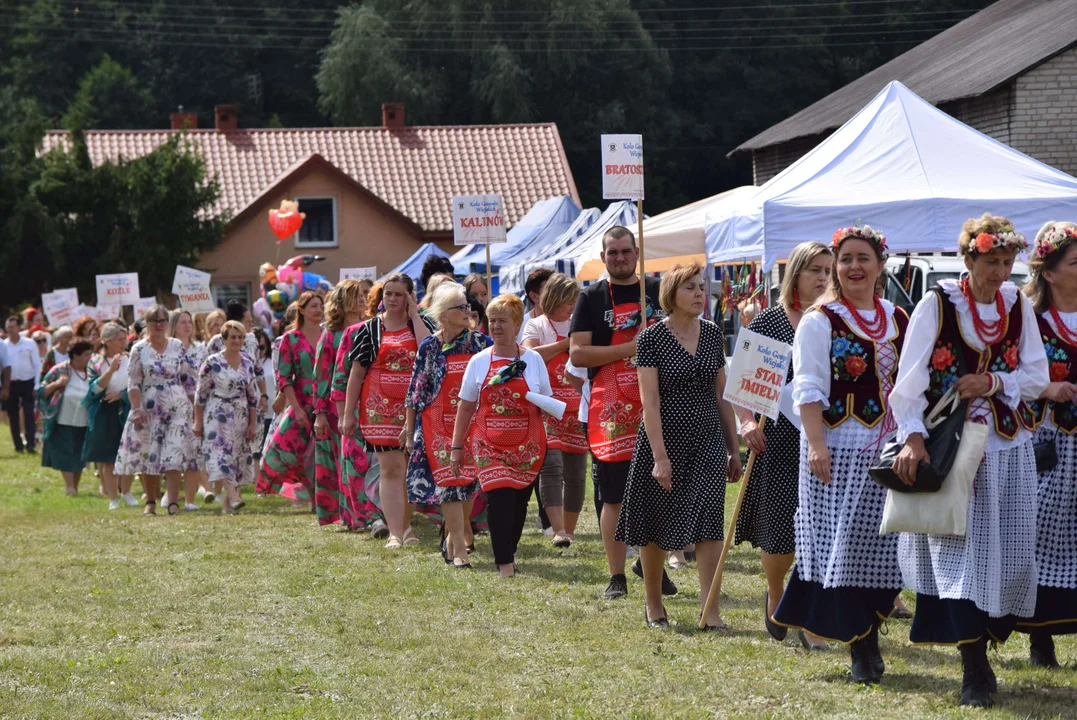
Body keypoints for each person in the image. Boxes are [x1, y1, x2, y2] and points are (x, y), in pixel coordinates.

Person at [890, 215, 1047, 707]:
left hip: (1006, 445)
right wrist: (912, 439)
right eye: (991, 262)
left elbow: (1036, 375)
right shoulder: (936, 305)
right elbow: (908, 382)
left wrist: (995, 382)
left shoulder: (1017, 303)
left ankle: (989, 637)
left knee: (1014, 552)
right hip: (952, 445)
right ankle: (973, 667)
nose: (1001, 272)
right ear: (969, 258)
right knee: (957, 552)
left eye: (1007, 262)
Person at [773, 225, 909, 684]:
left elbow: (912, 385)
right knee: (845, 548)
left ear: (880, 265)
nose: (854, 266)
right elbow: (807, 387)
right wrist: (814, 444)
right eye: (846, 258)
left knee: (888, 548)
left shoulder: (898, 318)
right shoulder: (819, 319)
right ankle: (861, 647)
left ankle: (865, 630)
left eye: (863, 258)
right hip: (836, 448)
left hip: (890, 449)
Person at [615, 263, 742, 628]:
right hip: (664, 441)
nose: (700, 293)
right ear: (671, 295)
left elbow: (722, 398)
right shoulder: (652, 338)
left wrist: (733, 450)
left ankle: (710, 609)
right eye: (690, 288)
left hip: (707, 442)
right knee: (653, 525)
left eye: (701, 287)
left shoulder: (713, 334)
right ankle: (653, 604)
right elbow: (649, 403)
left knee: (708, 525)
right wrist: (659, 457)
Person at [732, 242, 834, 645]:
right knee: (779, 529)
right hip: (775, 438)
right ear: (795, 273)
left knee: (820, 529)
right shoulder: (768, 324)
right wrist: (744, 424)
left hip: (825, 438)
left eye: (829, 270)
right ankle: (776, 593)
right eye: (815, 270)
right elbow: (741, 385)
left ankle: (813, 618)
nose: (824, 278)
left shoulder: (832, 321)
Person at [569, 226, 673, 600]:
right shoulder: (592, 297)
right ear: (603, 256)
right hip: (611, 408)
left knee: (660, 490)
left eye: (625, 251)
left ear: (637, 251)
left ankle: (652, 568)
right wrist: (632, 346)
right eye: (612, 253)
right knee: (613, 495)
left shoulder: (660, 292)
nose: (619, 258)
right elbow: (578, 354)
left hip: (658, 404)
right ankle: (617, 575)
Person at [450, 294, 552, 577]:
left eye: (502, 321)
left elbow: (546, 401)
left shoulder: (533, 360)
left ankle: (509, 547)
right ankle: (505, 562)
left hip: (527, 445)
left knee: (519, 502)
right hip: (488, 443)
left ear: (518, 325)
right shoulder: (479, 361)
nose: (495, 326)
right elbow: (467, 404)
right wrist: (456, 447)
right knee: (499, 497)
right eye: (491, 320)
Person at [1016, 220, 1077, 668]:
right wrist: (1045, 389)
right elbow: (1008, 376)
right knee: (1042, 534)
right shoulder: (1027, 319)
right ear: (1050, 273)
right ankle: (1040, 637)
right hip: (1047, 444)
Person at [403, 282, 492, 567]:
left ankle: (453, 538)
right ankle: (461, 553)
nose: (468, 311)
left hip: (473, 425)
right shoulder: (430, 346)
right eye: (461, 307)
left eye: (467, 305)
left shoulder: (481, 344)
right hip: (436, 425)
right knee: (450, 485)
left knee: (468, 485)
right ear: (443, 314)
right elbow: (416, 390)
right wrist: (409, 428)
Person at [343, 273, 435, 548]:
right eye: (388, 294)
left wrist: (415, 314)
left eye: (399, 294)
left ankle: (405, 527)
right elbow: (356, 374)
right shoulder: (369, 329)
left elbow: (431, 352)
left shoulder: (422, 323)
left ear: (409, 296)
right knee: (391, 469)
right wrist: (348, 414)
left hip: (416, 409)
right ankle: (396, 532)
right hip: (378, 409)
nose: (392, 299)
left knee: (409, 469)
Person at [522, 273, 587, 547]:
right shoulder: (535, 325)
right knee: (551, 467)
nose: (572, 307)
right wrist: (566, 344)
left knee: (575, 473)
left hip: (577, 407)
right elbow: (530, 355)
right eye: (568, 301)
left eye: (575, 301)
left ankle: (568, 533)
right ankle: (557, 529)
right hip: (547, 408)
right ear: (555, 298)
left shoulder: (581, 323)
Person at [114, 305, 197, 516]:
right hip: (149, 408)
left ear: (168, 324)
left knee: (174, 452)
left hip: (178, 407)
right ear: (147, 324)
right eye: (154, 321)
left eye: (162, 320)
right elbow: (133, 382)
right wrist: (135, 409)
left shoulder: (177, 346)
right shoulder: (139, 349)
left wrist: (196, 410)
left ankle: (172, 501)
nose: (159, 325)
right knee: (150, 455)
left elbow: (187, 379)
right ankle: (151, 500)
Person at [260, 292, 325, 508]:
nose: (318, 310)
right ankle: (312, 495)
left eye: (320, 305)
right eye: (313, 306)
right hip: (301, 402)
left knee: (322, 450)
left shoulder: (329, 335)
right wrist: (295, 408)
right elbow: (284, 377)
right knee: (295, 452)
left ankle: (323, 498)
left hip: (325, 399)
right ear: (302, 310)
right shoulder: (291, 338)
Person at [312, 280, 368, 526]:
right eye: (358, 296)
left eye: (365, 295)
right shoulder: (331, 334)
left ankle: (371, 511)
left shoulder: (371, 328)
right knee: (345, 461)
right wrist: (320, 413)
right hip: (339, 406)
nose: (364, 299)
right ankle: (351, 516)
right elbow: (322, 375)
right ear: (344, 301)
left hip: (369, 403)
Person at [193, 320, 260, 514]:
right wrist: (197, 421)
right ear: (224, 339)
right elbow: (200, 394)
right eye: (232, 337)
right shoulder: (212, 362)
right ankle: (234, 495)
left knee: (236, 457)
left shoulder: (247, 362)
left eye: (240, 337)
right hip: (217, 412)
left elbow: (252, 396)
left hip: (240, 413)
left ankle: (228, 504)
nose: (237, 341)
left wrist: (253, 424)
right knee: (220, 454)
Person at [82, 322, 137, 510]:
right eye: (120, 339)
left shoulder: (131, 359)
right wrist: (111, 368)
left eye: (125, 339)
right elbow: (94, 389)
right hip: (105, 413)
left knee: (129, 454)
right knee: (108, 458)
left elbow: (138, 385)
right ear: (107, 341)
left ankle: (127, 491)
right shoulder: (96, 362)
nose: (124, 342)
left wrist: (122, 395)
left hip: (127, 409)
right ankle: (113, 498)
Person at [38, 341, 94, 495]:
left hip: (84, 421)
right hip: (62, 418)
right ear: (76, 356)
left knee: (79, 455)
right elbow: (42, 391)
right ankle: (69, 486)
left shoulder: (92, 372)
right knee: (64, 453)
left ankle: (74, 486)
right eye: (87, 355)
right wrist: (57, 383)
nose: (91, 358)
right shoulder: (60, 370)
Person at [168, 309, 210, 510]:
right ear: (173, 326)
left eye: (189, 322)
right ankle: (171, 494)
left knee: (194, 454)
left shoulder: (200, 349)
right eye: (182, 322)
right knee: (174, 454)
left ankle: (190, 500)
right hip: (173, 406)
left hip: (196, 407)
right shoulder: (167, 350)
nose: (187, 325)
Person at [5, 315, 42, 453]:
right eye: (8, 328)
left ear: (19, 327)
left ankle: (30, 444)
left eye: (12, 327)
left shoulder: (29, 343)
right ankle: (18, 445)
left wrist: (37, 384)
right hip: (11, 384)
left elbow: (37, 364)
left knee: (28, 414)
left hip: (28, 382)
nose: (10, 330)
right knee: (13, 415)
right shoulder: (4, 345)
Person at [519, 267, 554, 343]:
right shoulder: (521, 324)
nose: (556, 295)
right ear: (534, 296)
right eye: (550, 291)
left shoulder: (568, 319)